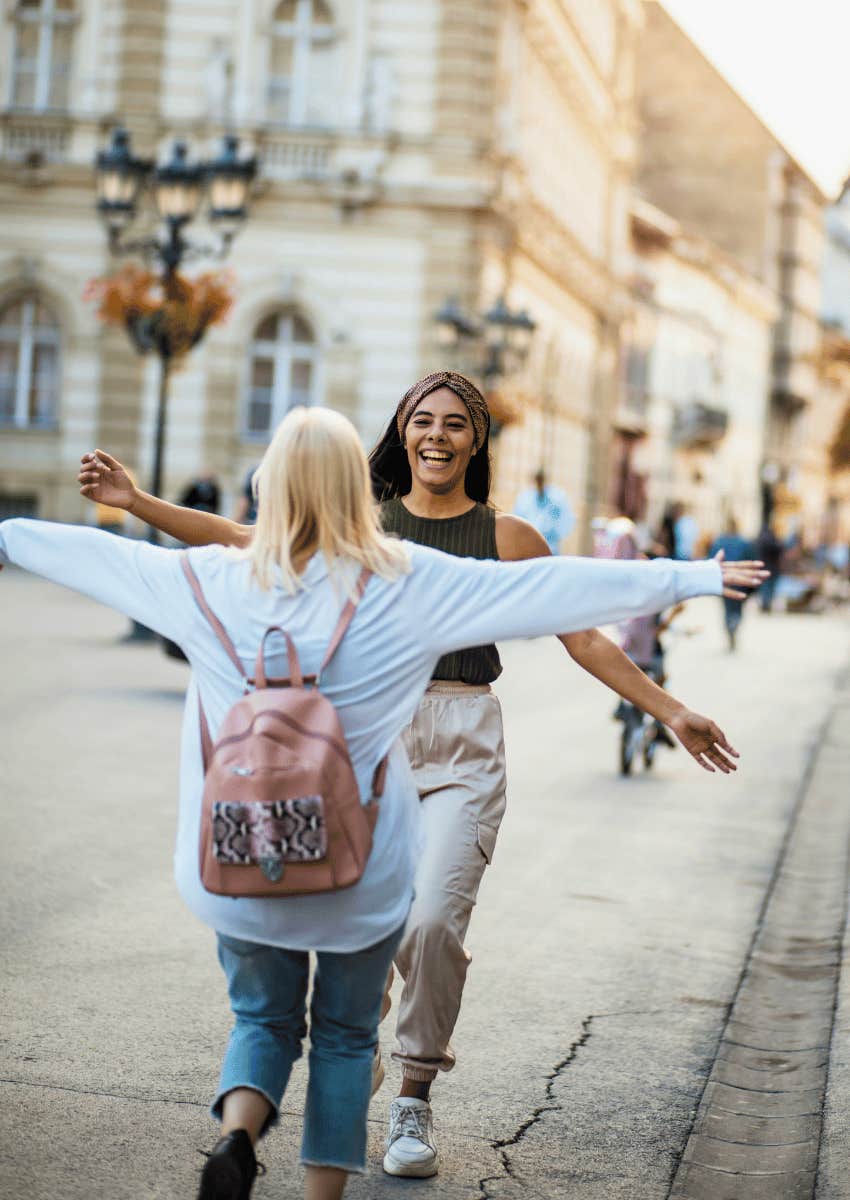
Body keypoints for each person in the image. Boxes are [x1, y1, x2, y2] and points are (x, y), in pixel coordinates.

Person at [6, 409, 763, 1200]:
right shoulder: (405, 579)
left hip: (237, 862)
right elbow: (558, 590)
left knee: (262, 1021)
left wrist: (31, 528)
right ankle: (326, 1186)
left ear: (270, 485)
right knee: (341, 1036)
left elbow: (75, 549)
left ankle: (237, 1138)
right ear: (358, 484)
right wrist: (691, 577)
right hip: (356, 873)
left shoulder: (202, 581)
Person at [711, 517, 754, 650]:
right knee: (738, 608)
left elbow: (712, 560)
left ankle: (730, 625)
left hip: (724, 580)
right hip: (740, 580)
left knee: (727, 608)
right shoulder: (744, 542)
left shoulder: (719, 542)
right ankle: (734, 623)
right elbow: (751, 560)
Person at [513, 468, 575, 554]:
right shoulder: (524, 498)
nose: (539, 483)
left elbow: (566, 520)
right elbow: (517, 521)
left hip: (551, 546)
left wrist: (555, 536)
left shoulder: (557, 499)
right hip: (528, 547)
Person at [755, 522, 783, 612]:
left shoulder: (759, 540)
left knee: (765, 587)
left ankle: (765, 604)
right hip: (771, 567)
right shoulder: (771, 539)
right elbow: (778, 549)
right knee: (769, 587)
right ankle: (766, 604)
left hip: (762, 567)